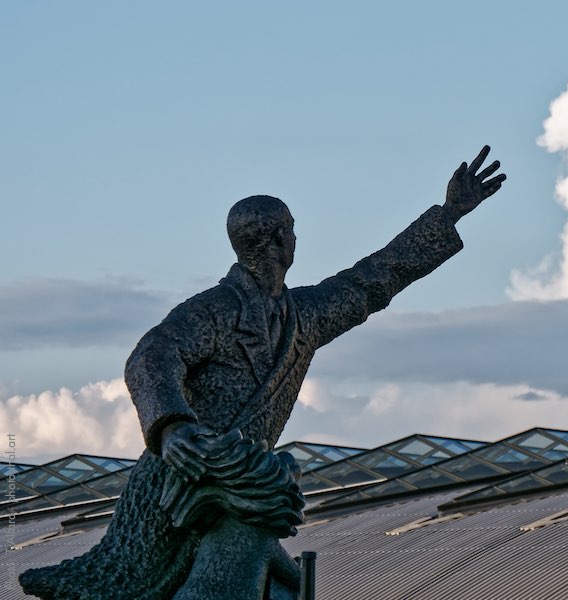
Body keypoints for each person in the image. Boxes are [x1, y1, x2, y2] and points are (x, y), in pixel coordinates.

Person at [20, 146, 505, 600]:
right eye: (292, 228)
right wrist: (171, 427)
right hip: (180, 482)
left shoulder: (304, 316)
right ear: (278, 240)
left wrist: (448, 216)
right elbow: (151, 356)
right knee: (132, 579)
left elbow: (373, 280)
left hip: (242, 485)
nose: (297, 236)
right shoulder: (215, 309)